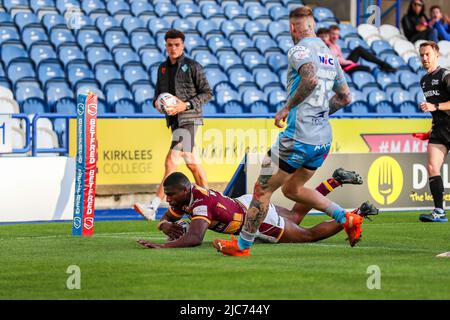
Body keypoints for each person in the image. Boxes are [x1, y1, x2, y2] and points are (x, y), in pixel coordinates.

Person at [213, 6, 361, 257]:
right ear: (312, 26)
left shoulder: (299, 49)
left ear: (293, 28)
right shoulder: (329, 54)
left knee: (262, 190)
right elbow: (346, 98)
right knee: (293, 190)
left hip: (296, 139)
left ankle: (242, 246)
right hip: (322, 140)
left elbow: (310, 78)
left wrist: (286, 108)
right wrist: (321, 112)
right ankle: (346, 218)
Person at [136, 170, 378, 250]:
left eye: (170, 195)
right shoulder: (188, 196)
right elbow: (171, 217)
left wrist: (163, 245)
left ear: (185, 190)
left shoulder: (200, 203)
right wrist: (163, 224)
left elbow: (195, 238)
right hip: (246, 202)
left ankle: (357, 214)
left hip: (256, 219)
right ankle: (333, 181)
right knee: (294, 216)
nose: (168, 199)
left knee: (306, 235)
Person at [134, 29, 213, 220]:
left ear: (183, 45)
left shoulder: (193, 66)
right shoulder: (162, 68)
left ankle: (153, 207)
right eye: (170, 45)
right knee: (193, 165)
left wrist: (184, 105)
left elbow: (207, 93)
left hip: (189, 119)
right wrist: (158, 104)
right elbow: (157, 96)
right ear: (165, 45)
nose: (173, 48)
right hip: (175, 121)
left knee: (171, 161)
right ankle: (212, 203)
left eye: (177, 44)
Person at [417, 41, 450, 223]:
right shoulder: (424, 80)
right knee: (432, 167)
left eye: (427, 54)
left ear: (437, 54)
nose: (424, 58)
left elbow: (438, 105)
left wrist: (435, 106)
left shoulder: (446, 75)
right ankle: (439, 211)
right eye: (422, 55)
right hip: (439, 129)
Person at [327, 25, 396, 75]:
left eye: (337, 34)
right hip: (341, 68)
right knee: (367, 68)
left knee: (359, 49)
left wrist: (348, 62)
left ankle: (383, 64)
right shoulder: (327, 45)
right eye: (333, 34)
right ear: (329, 34)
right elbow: (335, 59)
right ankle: (383, 65)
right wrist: (348, 62)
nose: (335, 36)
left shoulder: (337, 46)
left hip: (345, 64)